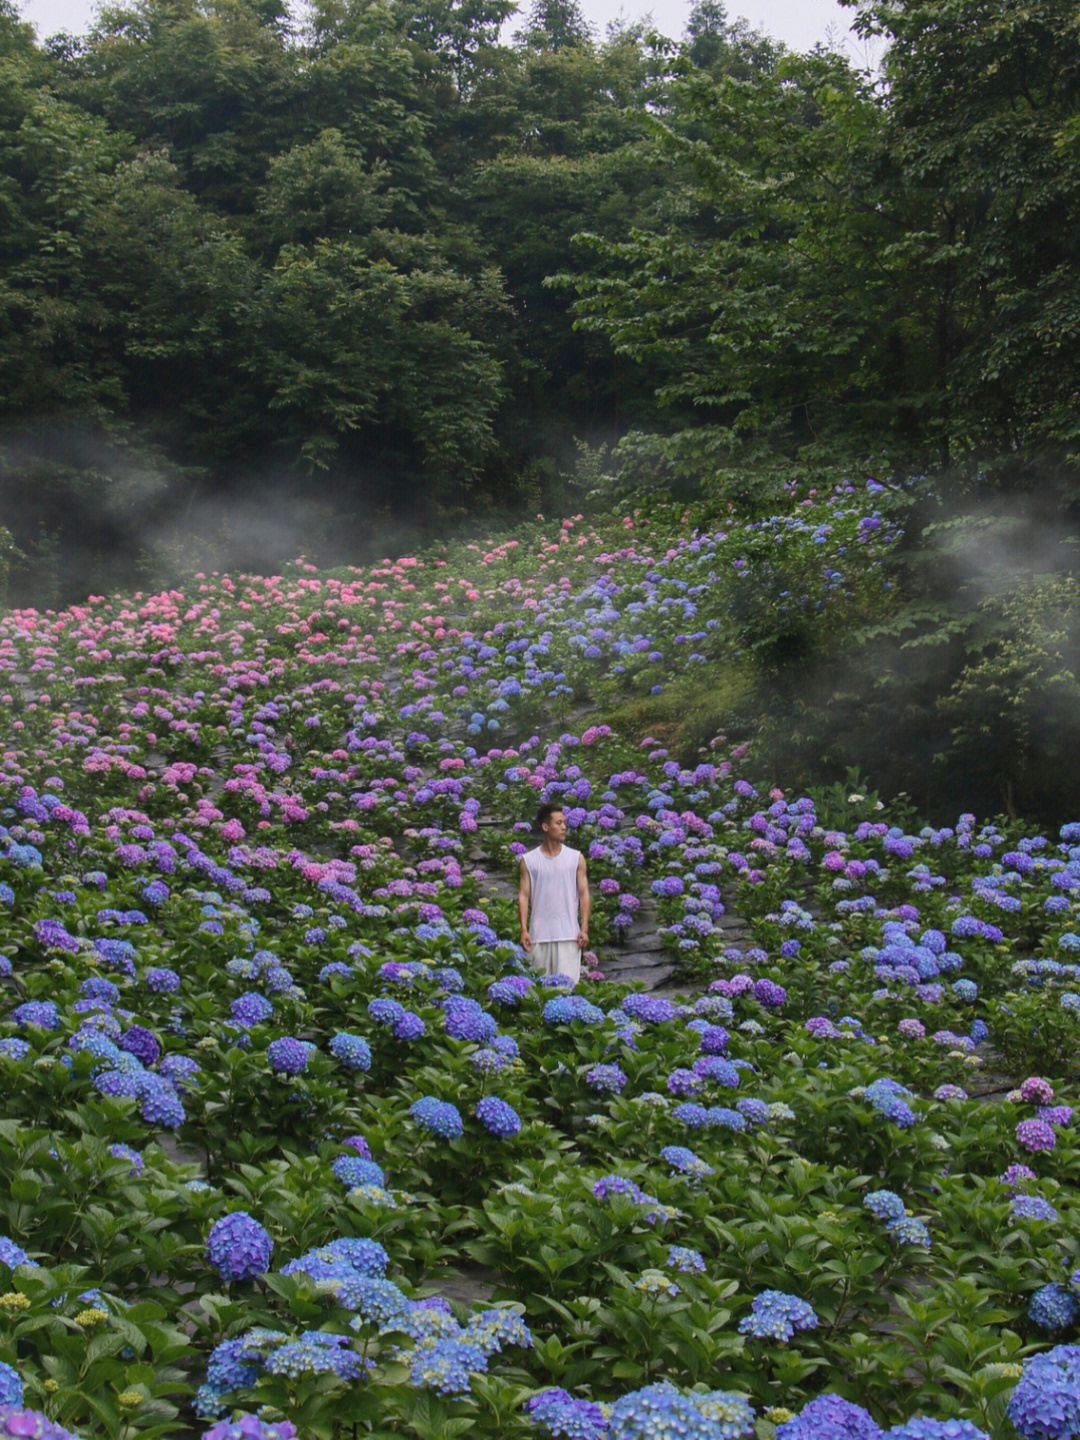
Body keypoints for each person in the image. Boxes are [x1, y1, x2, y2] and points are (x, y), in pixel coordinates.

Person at [518, 802, 590, 984]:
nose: (564, 827)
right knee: (538, 991)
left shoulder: (576, 858)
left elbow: (584, 894)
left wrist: (584, 928)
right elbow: (524, 896)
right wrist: (524, 930)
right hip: (538, 937)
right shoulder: (529, 861)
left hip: (569, 936)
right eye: (558, 823)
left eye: (564, 823)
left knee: (567, 991)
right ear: (545, 827)